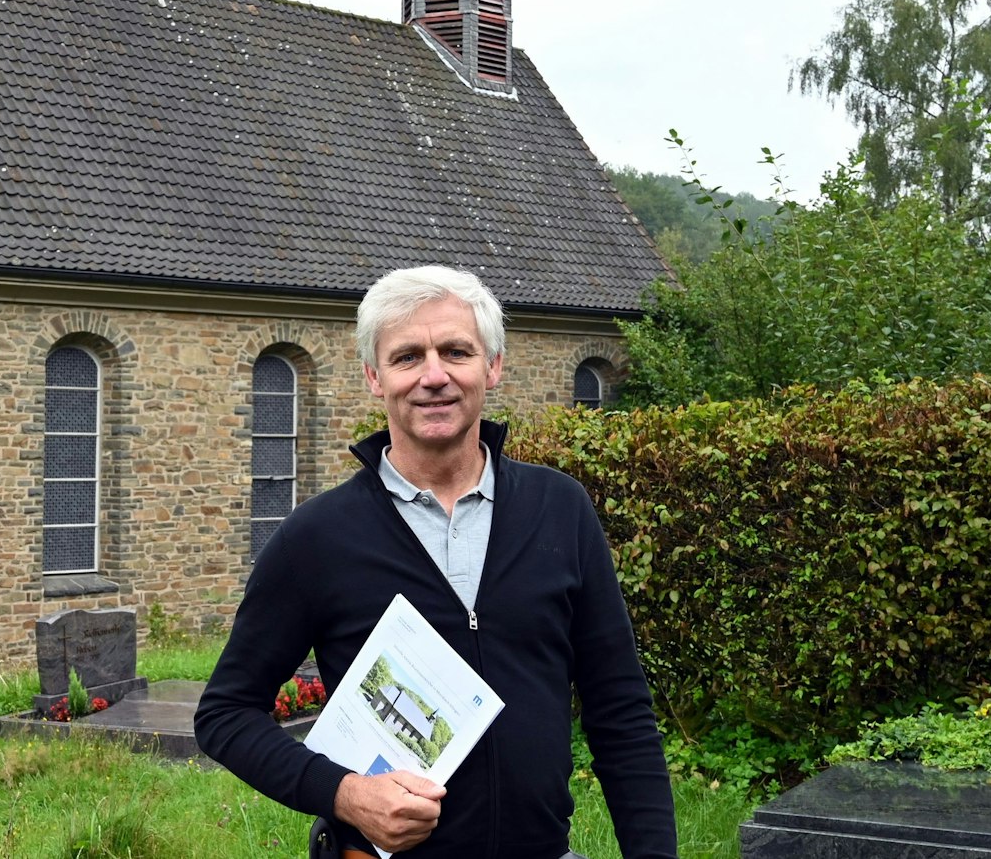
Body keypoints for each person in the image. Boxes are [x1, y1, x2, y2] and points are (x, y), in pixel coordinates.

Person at [194, 265, 678, 857]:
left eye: (456, 351)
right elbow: (225, 714)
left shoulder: (560, 509)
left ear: (492, 366)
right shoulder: (318, 538)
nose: (434, 376)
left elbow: (621, 713)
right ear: (375, 377)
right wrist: (345, 795)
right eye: (407, 357)